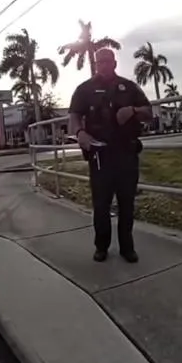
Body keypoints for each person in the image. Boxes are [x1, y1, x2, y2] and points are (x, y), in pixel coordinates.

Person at [68, 48, 153, 264]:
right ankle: (101, 246)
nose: (103, 65)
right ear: (96, 64)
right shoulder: (85, 89)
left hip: (126, 152)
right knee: (101, 205)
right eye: (100, 62)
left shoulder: (129, 87)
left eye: (107, 61)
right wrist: (80, 133)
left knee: (127, 203)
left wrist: (133, 110)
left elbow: (149, 112)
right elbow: (74, 116)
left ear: (114, 63)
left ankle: (127, 247)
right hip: (99, 154)